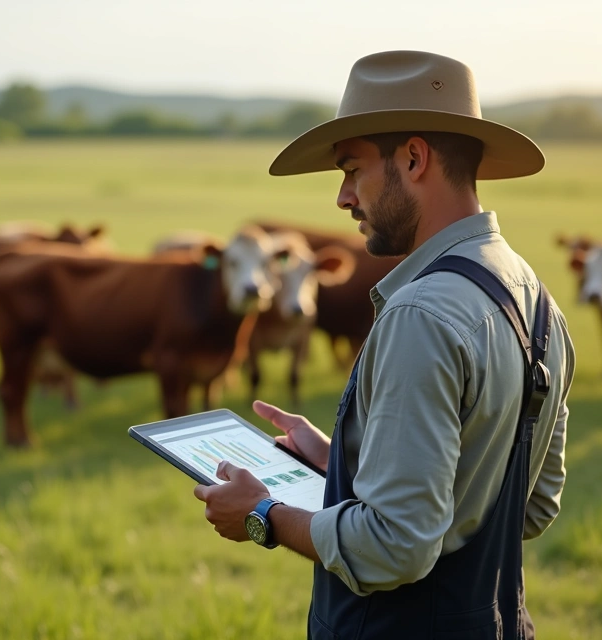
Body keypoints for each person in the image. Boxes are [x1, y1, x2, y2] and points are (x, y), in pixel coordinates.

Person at [193, 50, 575, 639]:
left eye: (352, 170)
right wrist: (340, 461)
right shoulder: (535, 297)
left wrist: (262, 514)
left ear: (414, 158)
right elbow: (530, 502)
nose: (343, 198)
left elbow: (394, 547)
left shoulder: (420, 314)